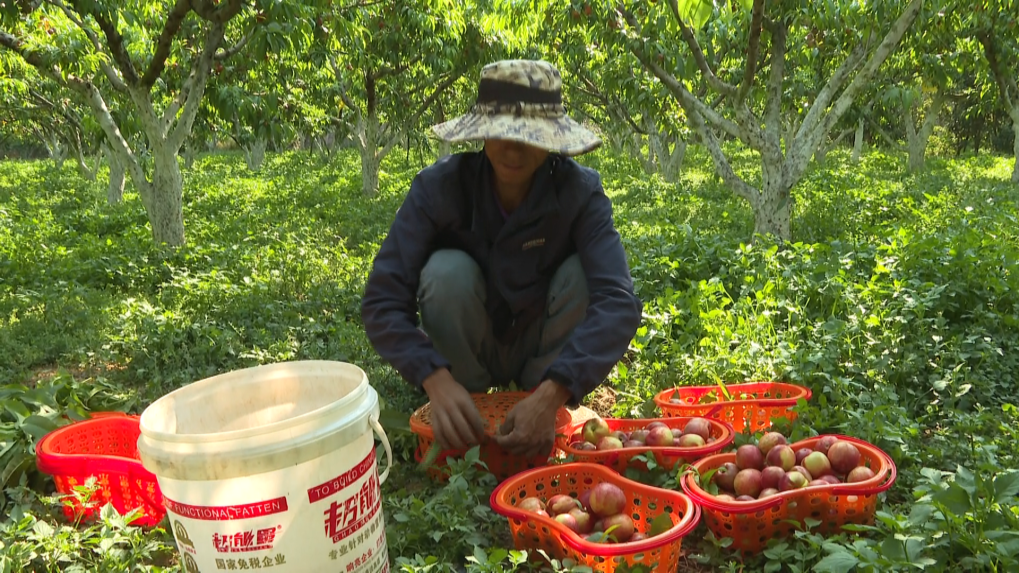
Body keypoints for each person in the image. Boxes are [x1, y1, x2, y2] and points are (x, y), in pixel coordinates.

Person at [360, 59, 642, 460]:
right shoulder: (439, 189)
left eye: (529, 134)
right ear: (481, 132)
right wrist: (433, 377)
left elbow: (619, 302)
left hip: (540, 347)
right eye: (502, 131)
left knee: (582, 275)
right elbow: (381, 301)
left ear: (551, 139)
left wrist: (554, 390)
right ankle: (465, 398)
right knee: (446, 273)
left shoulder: (579, 193)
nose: (514, 147)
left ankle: (540, 393)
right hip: (468, 351)